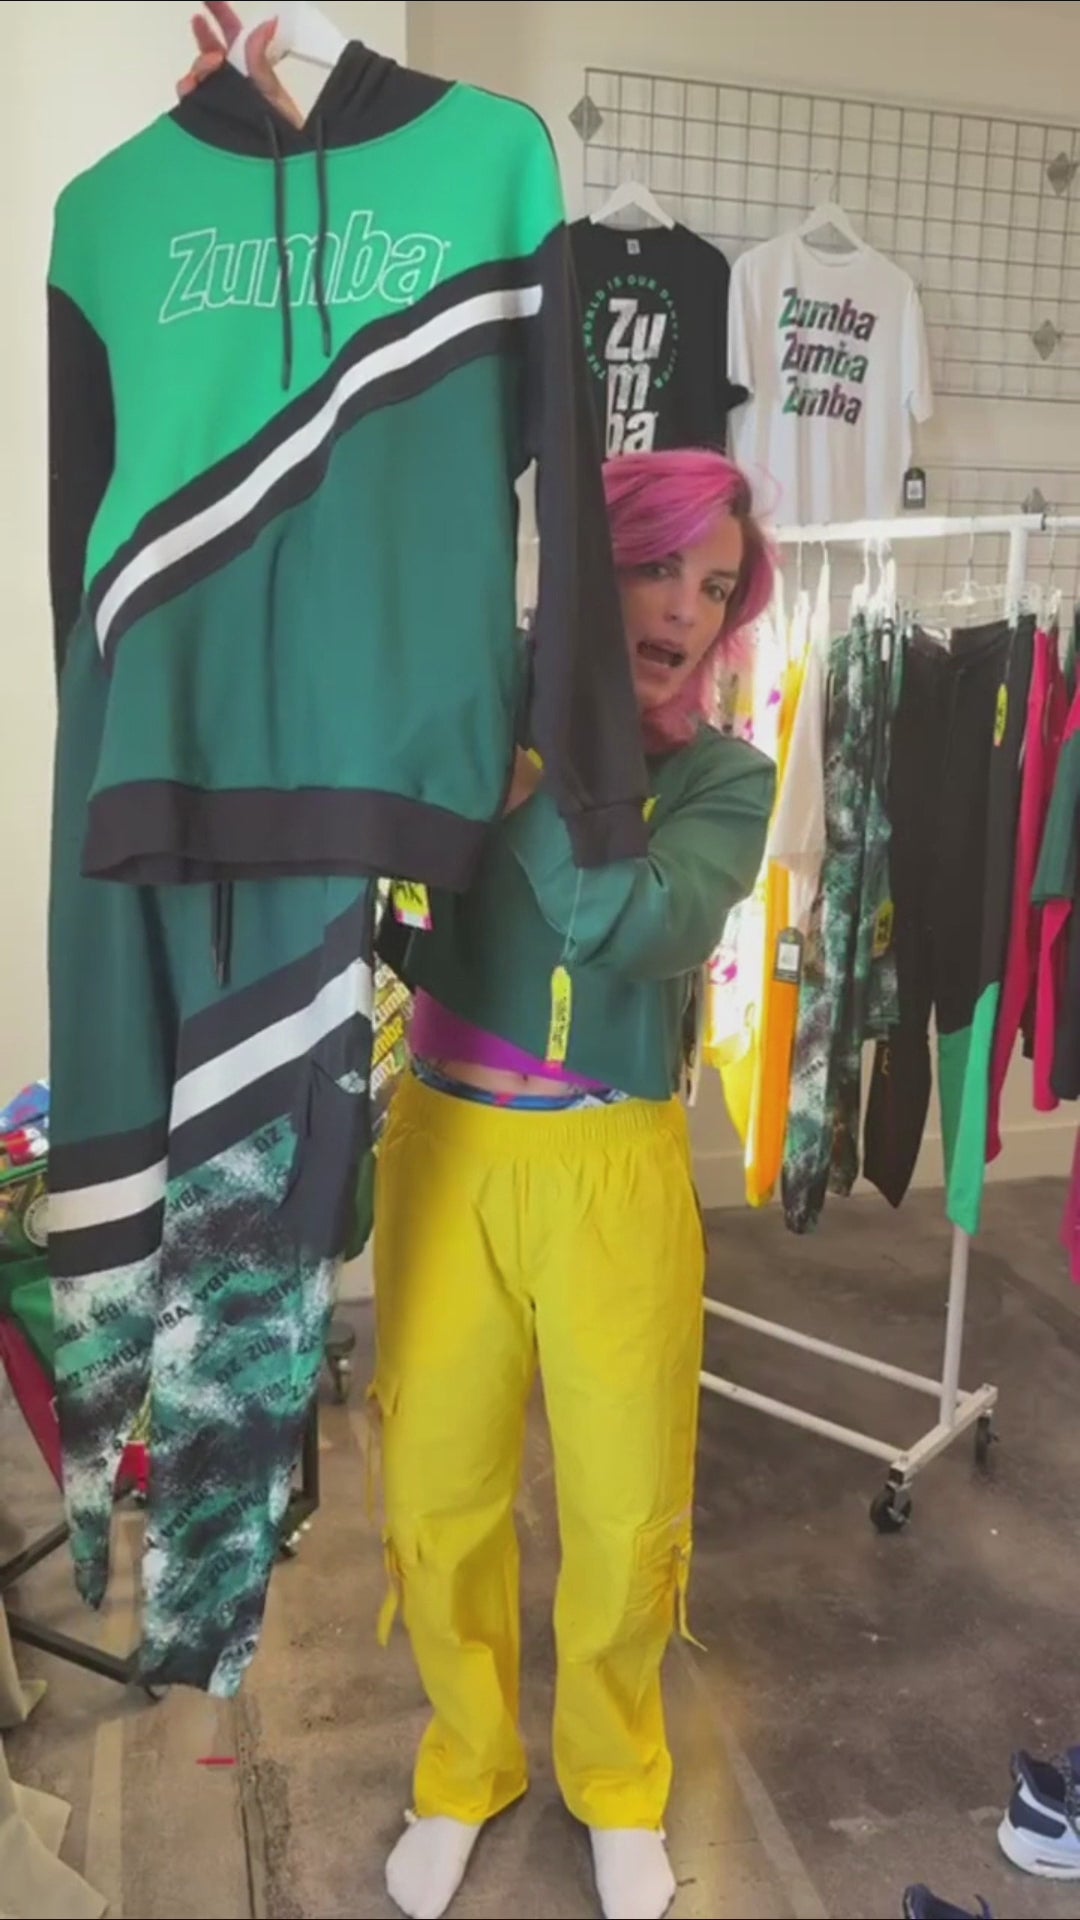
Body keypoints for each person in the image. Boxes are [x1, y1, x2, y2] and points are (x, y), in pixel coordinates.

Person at [177, 16, 776, 1920]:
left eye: (719, 588)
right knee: (435, 1490)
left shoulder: (728, 780)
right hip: (446, 1144)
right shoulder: (488, 693)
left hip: (612, 1168)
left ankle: (617, 1779)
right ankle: (465, 1763)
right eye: (661, 571)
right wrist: (265, 165)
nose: (686, 612)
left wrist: (527, 783)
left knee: (623, 1507)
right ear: (603, 568)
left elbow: (635, 924)